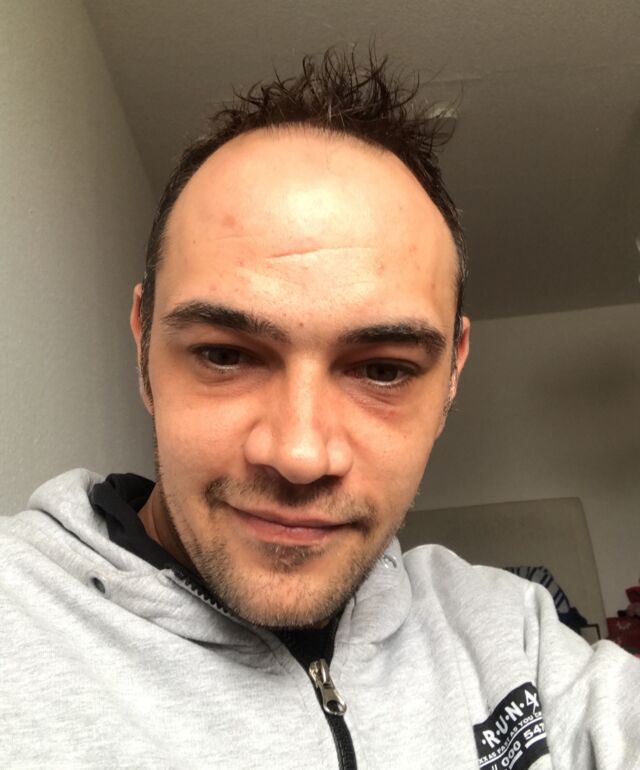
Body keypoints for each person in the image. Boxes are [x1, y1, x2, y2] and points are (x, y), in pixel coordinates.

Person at [0, 49, 638, 770]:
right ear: (144, 342)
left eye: (382, 370)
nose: (301, 455)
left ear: (452, 375)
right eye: (225, 354)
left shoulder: (513, 635)